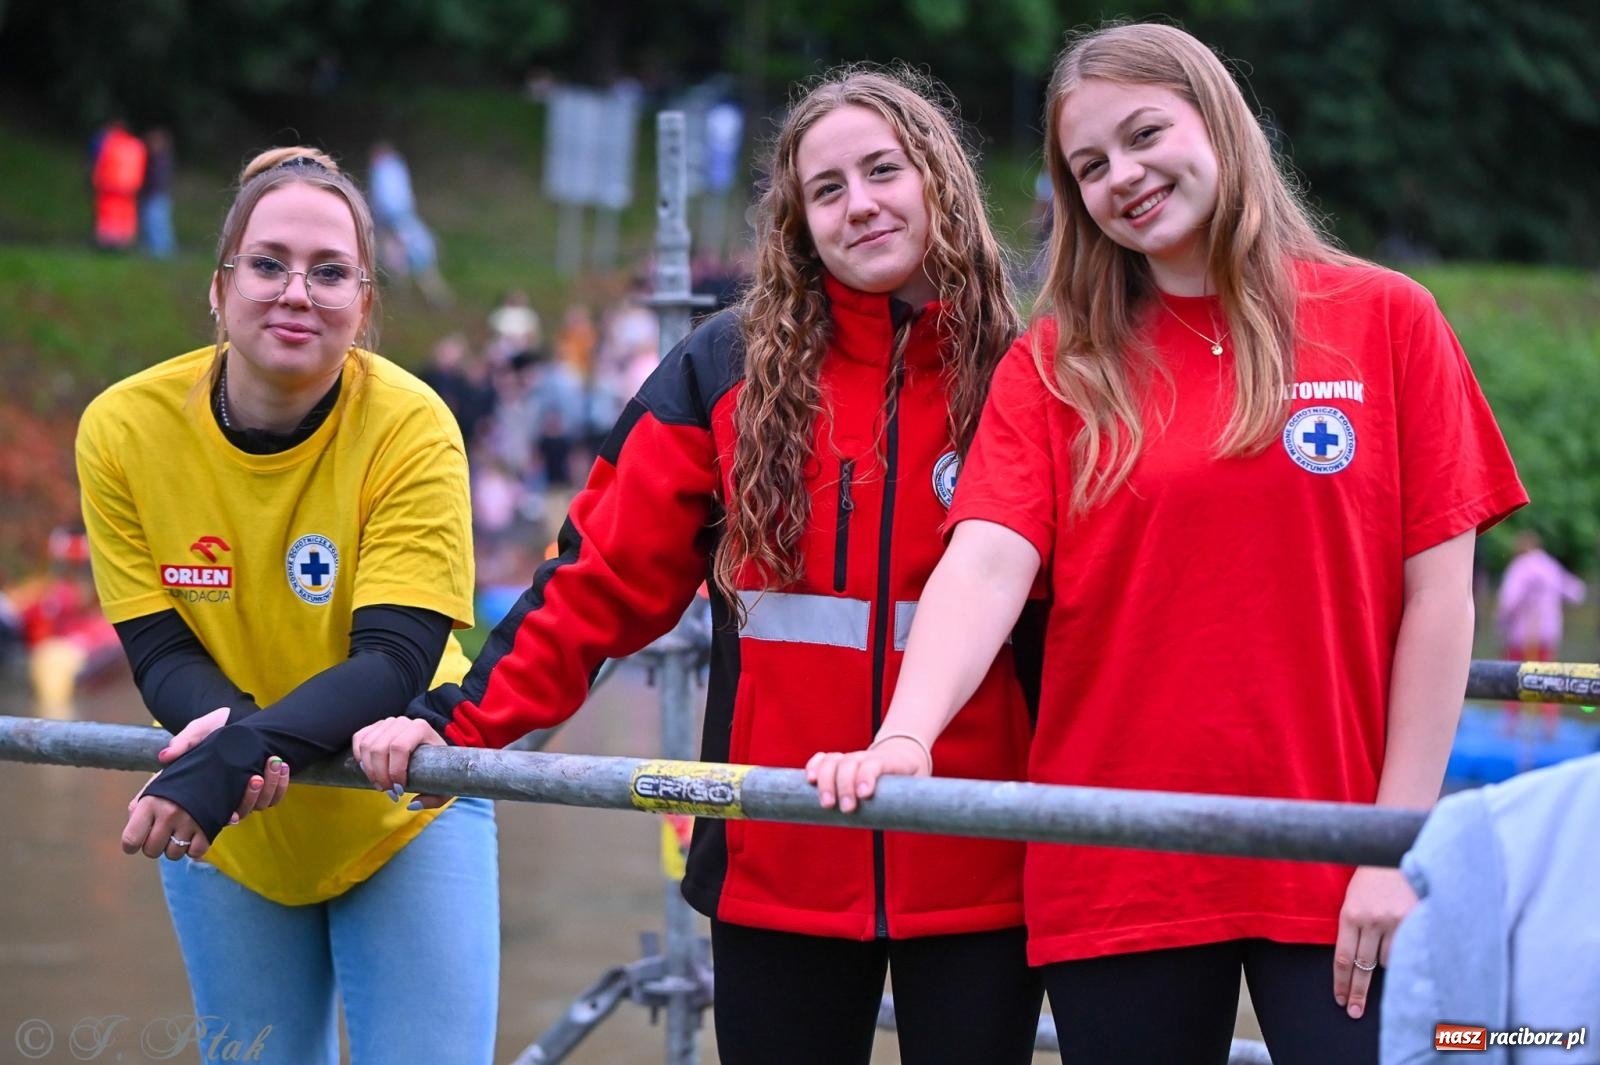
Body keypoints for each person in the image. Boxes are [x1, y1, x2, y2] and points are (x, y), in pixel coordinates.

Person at [808, 23, 1527, 1065]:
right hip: (1117, 864)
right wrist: (903, 736)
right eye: (1089, 166)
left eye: (1144, 136)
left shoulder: (1387, 319)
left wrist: (1396, 839)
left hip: (1338, 857)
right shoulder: (1060, 362)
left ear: (1220, 123)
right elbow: (987, 559)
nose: (1123, 179)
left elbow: (1440, 602)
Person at [353, 68, 1043, 1065]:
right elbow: (598, 582)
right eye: (827, 189)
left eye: (882, 170)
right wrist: (449, 725)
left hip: (983, 862)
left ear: (937, 177)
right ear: (799, 223)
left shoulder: (1030, 373)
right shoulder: (724, 368)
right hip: (775, 857)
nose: (860, 204)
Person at [76, 147, 497, 1065]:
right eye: (268, 263)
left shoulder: (413, 422)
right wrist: (235, 757)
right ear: (219, 289)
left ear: (365, 302)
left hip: (400, 804)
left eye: (330, 271)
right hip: (231, 817)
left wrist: (234, 754)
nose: (296, 292)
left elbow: (395, 657)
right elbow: (157, 649)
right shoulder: (122, 428)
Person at [1495, 530, 1585, 737]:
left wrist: (1501, 624)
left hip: (1521, 634)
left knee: (1513, 677)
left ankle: (1510, 723)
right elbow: (1576, 592)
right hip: (1547, 633)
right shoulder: (1549, 565)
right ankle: (1550, 725)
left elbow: (1508, 602)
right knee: (1547, 677)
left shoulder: (1519, 567)